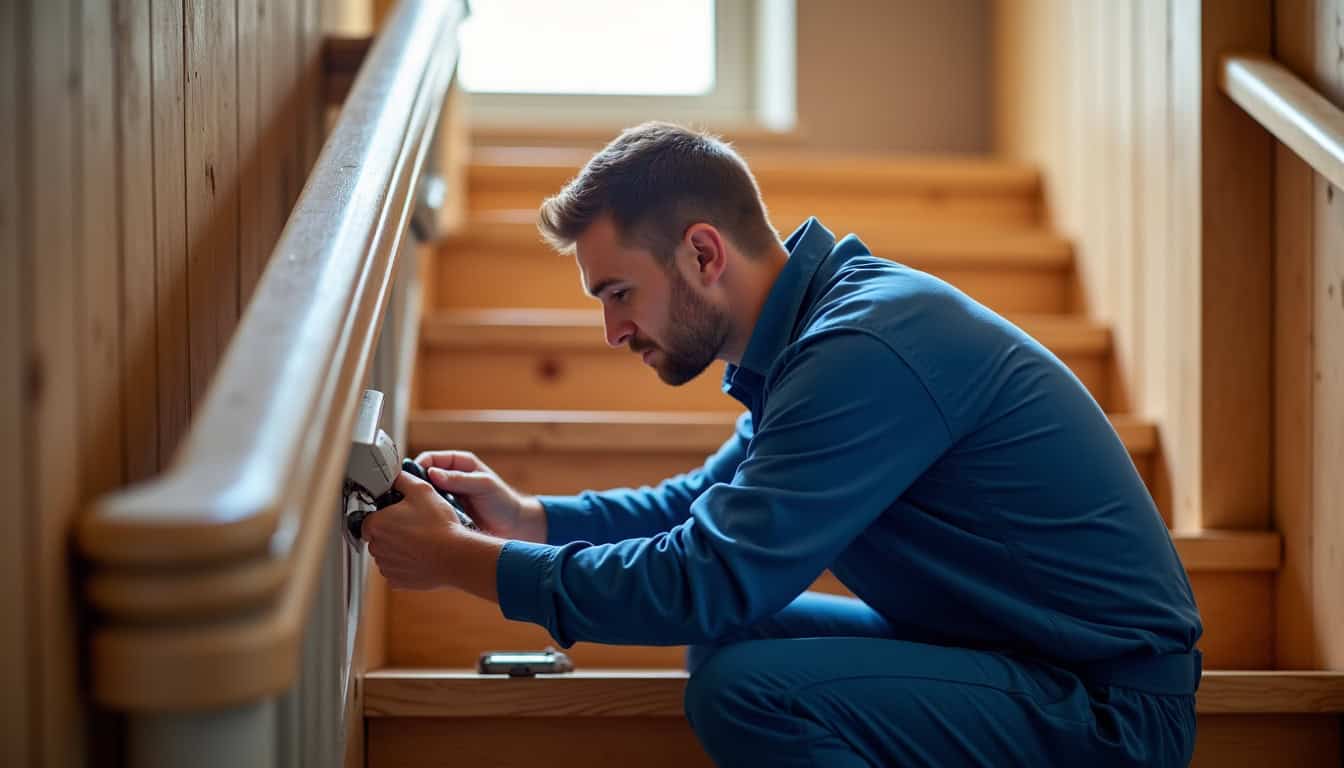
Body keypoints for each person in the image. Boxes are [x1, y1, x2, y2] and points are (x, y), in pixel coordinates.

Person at [361, 122, 1202, 767]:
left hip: (1107, 707)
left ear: (701, 253)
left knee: (745, 689)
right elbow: (700, 511)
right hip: (1000, 656)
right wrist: (526, 518)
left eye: (619, 292)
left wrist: (458, 562)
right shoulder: (813, 339)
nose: (612, 330)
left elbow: (707, 577)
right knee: (740, 640)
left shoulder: (865, 349)